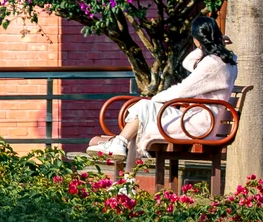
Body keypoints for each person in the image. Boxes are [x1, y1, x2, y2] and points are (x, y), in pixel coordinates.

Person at [88, 15, 237, 171]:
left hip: (199, 125)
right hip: (197, 119)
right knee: (144, 109)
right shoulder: (224, 61)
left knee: (145, 110)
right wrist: (215, 43)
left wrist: (156, 99)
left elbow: (182, 90)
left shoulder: (213, 64)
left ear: (197, 40)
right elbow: (188, 63)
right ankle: (120, 145)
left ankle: (125, 169)